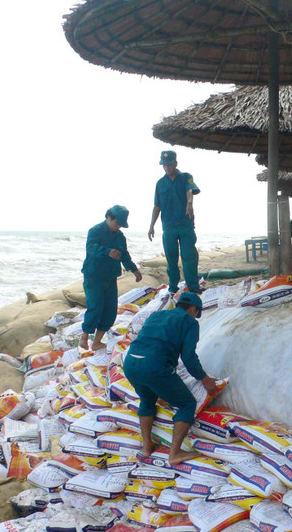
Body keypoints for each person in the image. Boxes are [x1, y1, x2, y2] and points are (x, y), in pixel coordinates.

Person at [123, 291, 218, 465]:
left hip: (130, 363)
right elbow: (189, 358)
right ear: (193, 309)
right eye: (197, 313)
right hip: (154, 366)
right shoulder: (189, 322)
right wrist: (205, 379)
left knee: (147, 400)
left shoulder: (157, 315)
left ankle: (146, 447)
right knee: (186, 404)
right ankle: (175, 453)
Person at [80, 205, 143, 351]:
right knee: (95, 306)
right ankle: (84, 337)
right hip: (94, 275)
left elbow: (124, 255)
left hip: (110, 277)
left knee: (110, 310)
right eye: (117, 223)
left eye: (121, 224)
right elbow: (90, 247)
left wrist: (134, 270)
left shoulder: (120, 237)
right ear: (109, 217)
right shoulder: (95, 231)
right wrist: (107, 251)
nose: (118, 226)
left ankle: (96, 341)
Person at [149, 150, 202, 294]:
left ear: (175, 163)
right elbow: (157, 205)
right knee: (171, 259)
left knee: (189, 256)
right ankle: (173, 286)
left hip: (186, 225)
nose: (167, 167)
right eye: (164, 165)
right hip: (169, 227)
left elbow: (190, 190)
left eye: (169, 164)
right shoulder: (160, 184)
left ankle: (193, 285)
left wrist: (189, 203)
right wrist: (151, 225)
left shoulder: (186, 177)